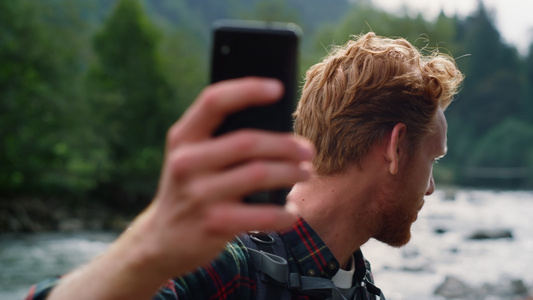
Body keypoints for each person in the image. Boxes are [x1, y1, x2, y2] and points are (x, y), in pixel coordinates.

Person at [26, 32, 463, 300]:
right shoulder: (229, 264)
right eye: (433, 160)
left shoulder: (362, 290)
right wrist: (147, 249)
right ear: (395, 147)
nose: (430, 188)